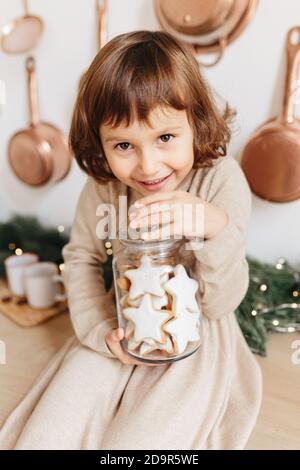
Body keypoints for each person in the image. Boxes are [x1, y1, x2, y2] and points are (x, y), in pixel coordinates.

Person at [0, 30, 262, 450]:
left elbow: (220, 302)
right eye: (123, 144)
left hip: (196, 330)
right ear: (101, 146)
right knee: (57, 419)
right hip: (121, 317)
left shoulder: (221, 181)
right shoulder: (104, 188)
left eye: (165, 138)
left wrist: (213, 227)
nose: (148, 165)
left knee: (150, 436)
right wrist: (99, 328)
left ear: (195, 123)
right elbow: (82, 258)